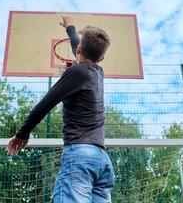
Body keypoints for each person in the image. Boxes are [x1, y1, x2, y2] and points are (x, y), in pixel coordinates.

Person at [8, 16, 114, 203]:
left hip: (80, 156)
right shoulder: (98, 72)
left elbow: (44, 105)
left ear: (79, 51)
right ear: (102, 58)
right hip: (101, 160)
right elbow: (77, 47)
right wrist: (70, 28)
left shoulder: (77, 72)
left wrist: (22, 133)